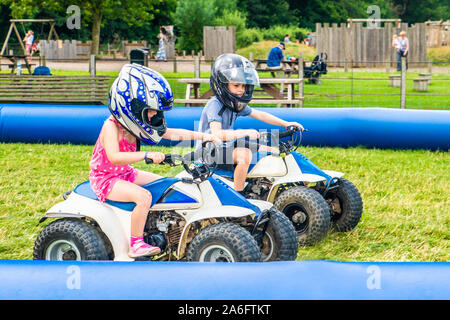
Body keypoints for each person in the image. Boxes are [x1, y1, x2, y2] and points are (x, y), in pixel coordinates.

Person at [90, 64, 220, 258]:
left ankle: (157, 227)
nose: (154, 115)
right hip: (106, 178)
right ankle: (136, 243)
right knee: (143, 197)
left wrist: (203, 136)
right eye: (150, 111)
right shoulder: (111, 127)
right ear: (131, 107)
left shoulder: (137, 125)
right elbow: (114, 157)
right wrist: (146, 155)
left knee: (165, 185)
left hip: (125, 173)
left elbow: (172, 133)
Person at [196, 53, 304, 195]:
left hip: (226, 146)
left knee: (270, 150)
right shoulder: (215, 105)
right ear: (221, 83)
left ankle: (266, 183)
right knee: (244, 155)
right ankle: (239, 193)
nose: (241, 90)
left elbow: (260, 114)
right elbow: (217, 134)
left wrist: (286, 123)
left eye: (244, 85)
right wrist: (245, 132)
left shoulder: (235, 103)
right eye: (236, 85)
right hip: (208, 153)